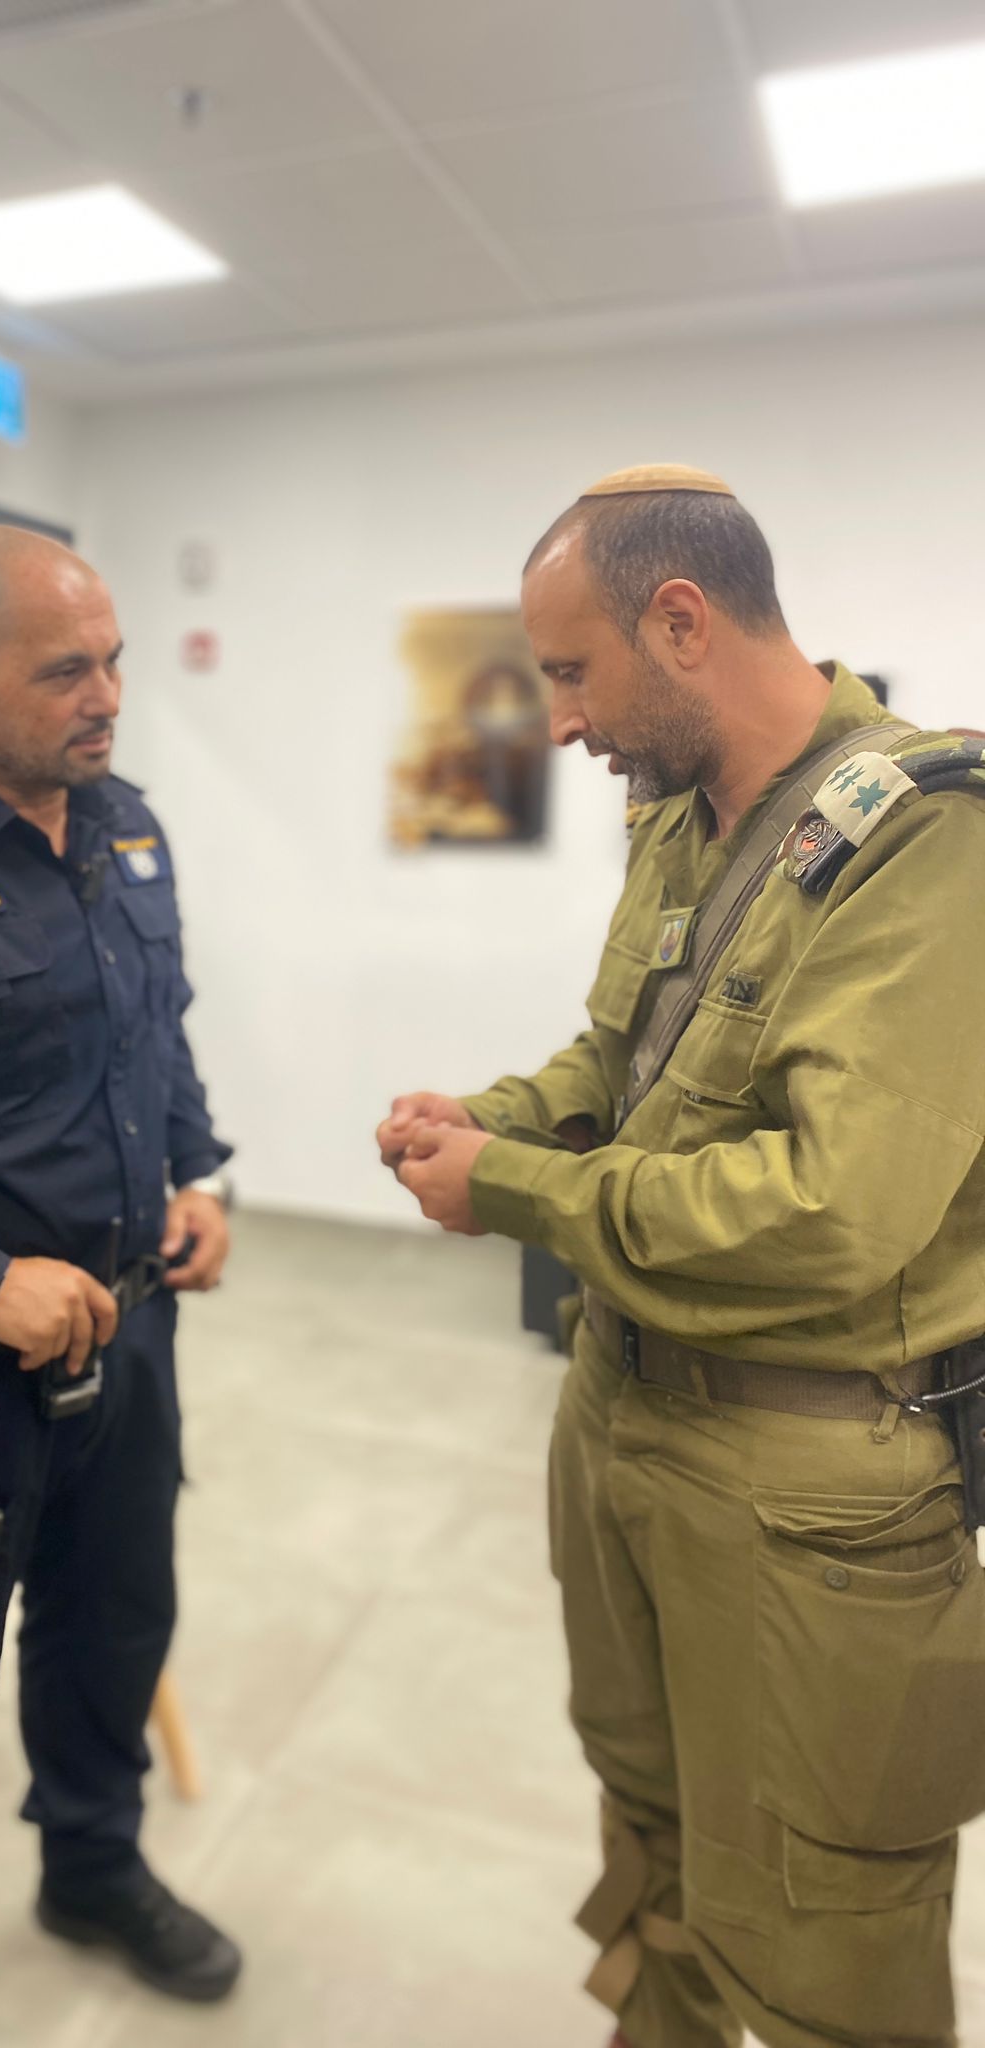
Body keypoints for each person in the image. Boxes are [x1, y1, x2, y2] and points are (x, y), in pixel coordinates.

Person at [381, 465, 985, 2048]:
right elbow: (621, 1063)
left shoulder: (928, 839)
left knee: (820, 1918)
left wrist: (515, 1189)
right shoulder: (683, 816)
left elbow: (831, 1208)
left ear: (681, 621)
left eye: (572, 672)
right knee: (649, 1818)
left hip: (804, 1484)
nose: (561, 721)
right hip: (624, 1411)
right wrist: (493, 1119)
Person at [0, 525, 241, 2003]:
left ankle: (96, 1868)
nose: (106, 697)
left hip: (131, 1331)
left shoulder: (126, 825)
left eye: (112, 662)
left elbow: (154, 1031)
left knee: (113, 1624)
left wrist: (197, 1174)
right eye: (63, 673)